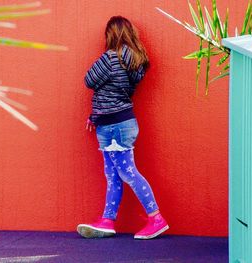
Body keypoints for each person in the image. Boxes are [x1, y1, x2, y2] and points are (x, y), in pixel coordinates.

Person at [77, 16, 169, 240]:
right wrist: (96, 114)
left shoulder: (110, 58)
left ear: (112, 35)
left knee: (127, 172)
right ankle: (108, 220)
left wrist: (100, 112)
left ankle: (156, 218)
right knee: (114, 174)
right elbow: (114, 92)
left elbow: (89, 80)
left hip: (114, 126)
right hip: (118, 122)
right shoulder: (136, 61)